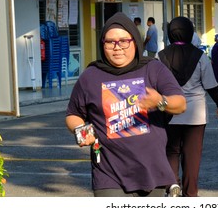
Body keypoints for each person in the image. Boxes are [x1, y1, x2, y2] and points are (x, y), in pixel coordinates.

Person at [65, 12, 187, 197]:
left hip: (152, 170)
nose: (117, 47)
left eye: (124, 41)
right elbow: (73, 114)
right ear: (102, 44)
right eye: (110, 42)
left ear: (135, 41)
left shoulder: (153, 69)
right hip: (108, 172)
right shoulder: (90, 76)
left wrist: (160, 101)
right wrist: (81, 130)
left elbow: (180, 104)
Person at [158, 16, 218, 197]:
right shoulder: (200, 56)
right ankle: (190, 194)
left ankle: (172, 185)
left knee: (171, 150)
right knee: (192, 156)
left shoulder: (161, 56)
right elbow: (210, 84)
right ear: (190, 32)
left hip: (169, 110)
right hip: (195, 114)